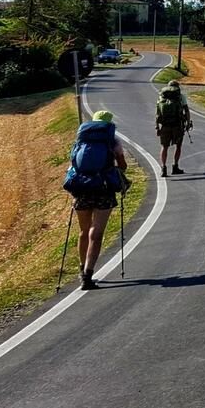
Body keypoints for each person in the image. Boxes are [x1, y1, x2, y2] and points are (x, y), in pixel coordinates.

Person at [68, 110, 128, 291]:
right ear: (109, 124)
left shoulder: (81, 140)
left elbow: (73, 164)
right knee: (97, 233)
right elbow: (123, 165)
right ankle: (88, 274)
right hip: (103, 189)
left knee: (84, 231)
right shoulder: (113, 141)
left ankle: (81, 268)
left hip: (82, 189)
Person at [156, 80, 192, 176]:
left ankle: (163, 168)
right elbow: (187, 111)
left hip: (165, 126)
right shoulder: (180, 97)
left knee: (164, 147)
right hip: (177, 125)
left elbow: (158, 113)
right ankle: (175, 166)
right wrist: (188, 123)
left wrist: (157, 127)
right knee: (178, 146)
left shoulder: (161, 97)